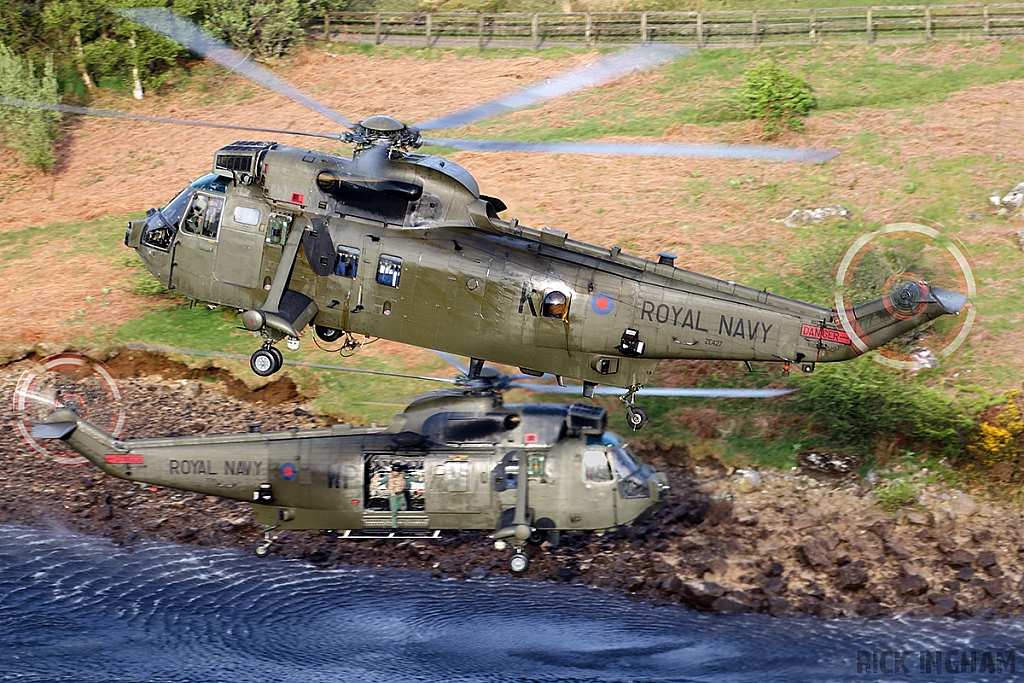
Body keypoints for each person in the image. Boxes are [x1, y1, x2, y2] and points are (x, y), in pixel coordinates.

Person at [387, 465, 407, 529]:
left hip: (401, 495)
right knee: (394, 510)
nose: (396, 472)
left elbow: (411, 478)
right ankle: (395, 526)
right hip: (394, 496)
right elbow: (382, 481)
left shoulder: (402, 475)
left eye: (398, 471)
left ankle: (399, 507)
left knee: (403, 507)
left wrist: (420, 479)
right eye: (395, 471)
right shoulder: (388, 477)